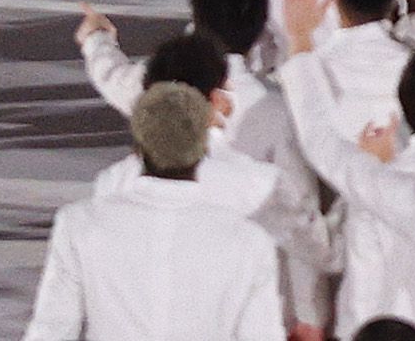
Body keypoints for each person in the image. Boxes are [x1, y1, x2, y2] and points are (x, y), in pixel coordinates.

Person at [29, 78, 281, 338]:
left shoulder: (79, 224)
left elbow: (51, 331)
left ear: (138, 143)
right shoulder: (250, 240)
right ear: (203, 146)